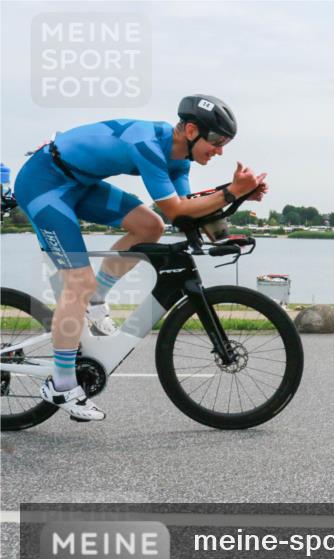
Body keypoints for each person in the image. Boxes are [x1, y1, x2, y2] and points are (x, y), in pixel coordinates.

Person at [13, 95, 268, 422]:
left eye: (226, 144)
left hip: (80, 184)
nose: (220, 150)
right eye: (217, 140)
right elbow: (176, 208)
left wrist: (236, 204)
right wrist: (232, 191)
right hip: (43, 184)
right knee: (78, 283)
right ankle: (62, 384)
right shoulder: (149, 144)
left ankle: (96, 300)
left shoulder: (179, 160)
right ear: (191, 130)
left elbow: (186, 211)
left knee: (150, 225)